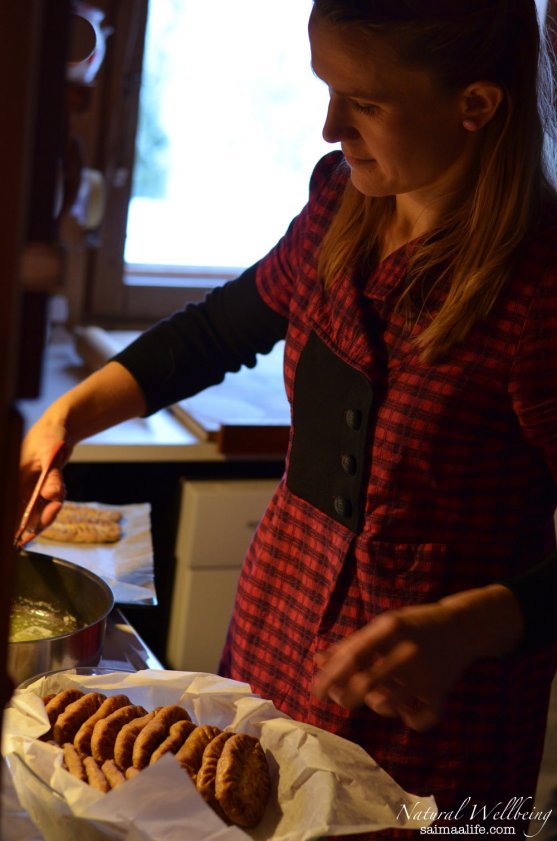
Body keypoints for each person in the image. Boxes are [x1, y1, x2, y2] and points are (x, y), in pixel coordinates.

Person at [17, 0, 557, 836]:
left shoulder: (538, 290)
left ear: (476, 105)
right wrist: (68, 417)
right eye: (325, 89)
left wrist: (477, 620)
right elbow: (217, 329)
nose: (328, 125)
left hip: (436, 702)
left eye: (364, 103)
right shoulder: (342, 204)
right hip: (280, 631)